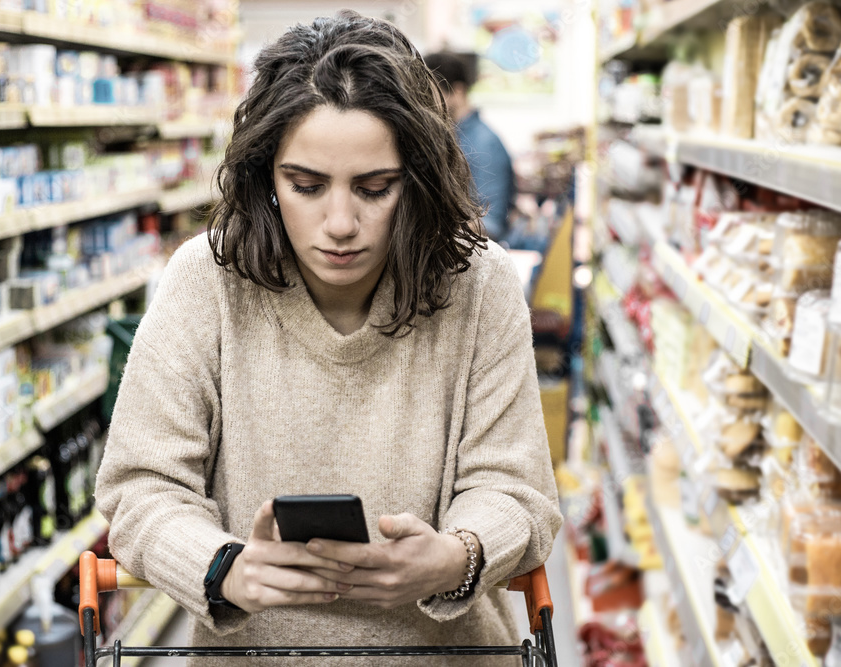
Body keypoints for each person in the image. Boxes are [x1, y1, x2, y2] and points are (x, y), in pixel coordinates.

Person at [95, 11, 561, 665]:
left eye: (375, 188)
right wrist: (222, 568)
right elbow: (141, 485)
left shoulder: (479, 285)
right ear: (266, 177)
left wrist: (456, 554)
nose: (340, 223)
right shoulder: (207, 281)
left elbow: (516, 489)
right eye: (306, 185)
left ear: (418, 180)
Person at [423, 52, 517, 245]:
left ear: (458, 91)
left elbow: (492, 224)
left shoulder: (484, 143)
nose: (426, 101)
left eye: (432, 92)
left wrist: (430, 229)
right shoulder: (444, 137)